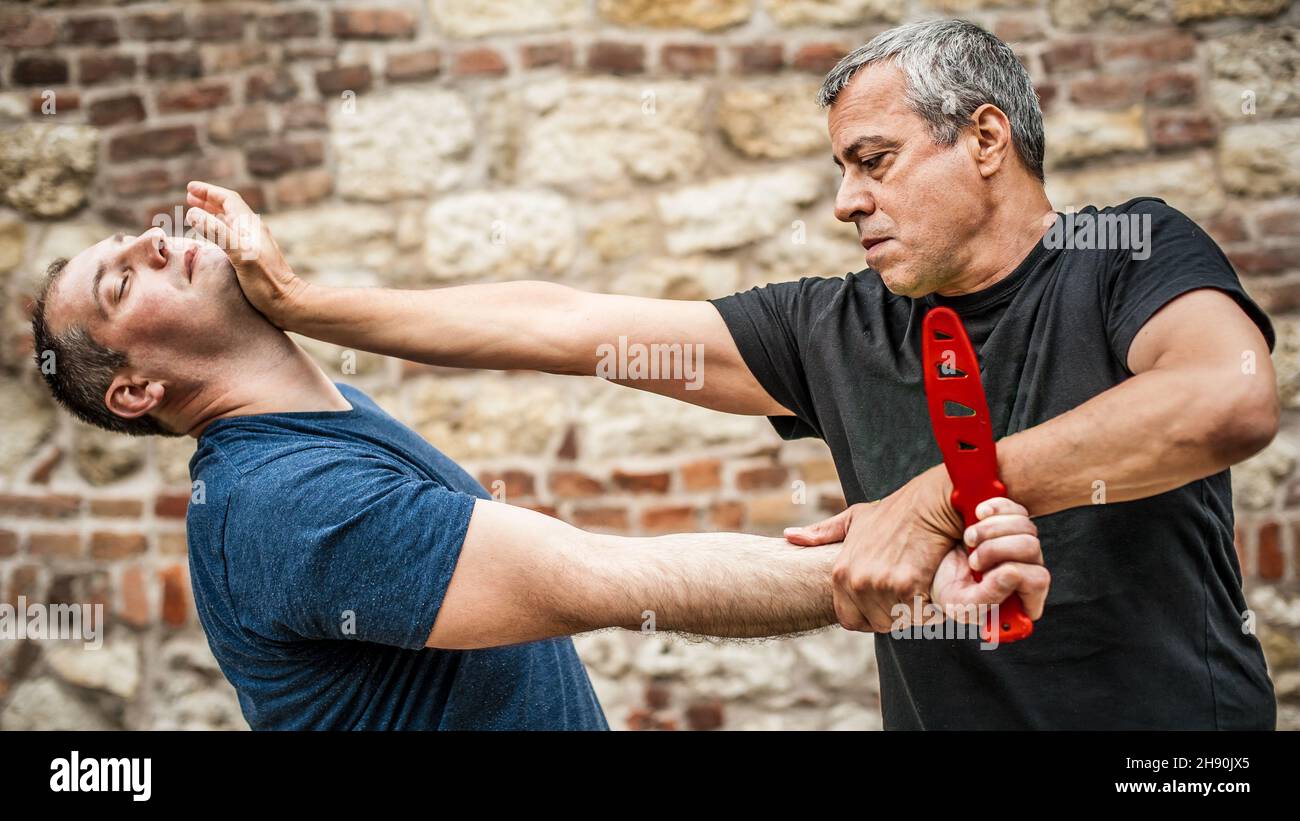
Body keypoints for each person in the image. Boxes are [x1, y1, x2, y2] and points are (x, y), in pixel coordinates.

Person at [196, 18, 1280, 730]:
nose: (847, 200)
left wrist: (938, 497)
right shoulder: (831, 324)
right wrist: (304, 303)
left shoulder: (1126, 252)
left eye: (873, 160)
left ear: (986, 139)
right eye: (839, 171)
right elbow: (560, 321)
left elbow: (1222, 397)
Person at [29, 222, 1048, 730]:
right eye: (123, 282)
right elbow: (610, 579)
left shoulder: (318, 417)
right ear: (134, 391)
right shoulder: (287, 504)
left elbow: (538, 317)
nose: (153, 242)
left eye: (134, 238)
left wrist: (300, 294)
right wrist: (896, 571)